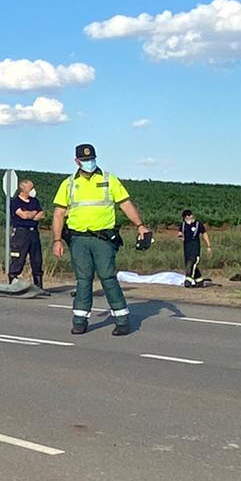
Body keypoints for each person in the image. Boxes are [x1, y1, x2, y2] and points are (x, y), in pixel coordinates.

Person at [51, 143, 148, 336]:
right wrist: (57, 240)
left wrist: (140, 225)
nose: (89, 163)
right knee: (83, 280)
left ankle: (122, 320)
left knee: (108, 277)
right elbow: (58, 214)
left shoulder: (109, 179)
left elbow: (125, 204)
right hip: (78, 239)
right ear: (77, 161)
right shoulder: (69, 184)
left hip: (103, 239)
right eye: (85, 160)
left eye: (91, 159)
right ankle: (80, 321)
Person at [8, 179, 45, 288]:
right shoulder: (15, 202)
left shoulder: (35, 201)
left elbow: (42, 214)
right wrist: (34, 213)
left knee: (37, 259)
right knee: (18, 258)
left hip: (33, 233)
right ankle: (13, 282)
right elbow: (23, 215)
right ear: (23, 189)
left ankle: (38, 286)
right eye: (30, 188)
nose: (33, 190)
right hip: (21, 233)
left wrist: (30, 215)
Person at [179, 208, 212, 285]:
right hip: (186, 248)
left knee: (192, 262)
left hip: (195, 247)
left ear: (191, 216)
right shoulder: (183, 224)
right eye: (185, 218)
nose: (187, 219)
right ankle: (199, 279)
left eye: (188, 217)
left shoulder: (198, 224)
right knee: (188, 263)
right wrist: (180, 235)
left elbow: (204, 234)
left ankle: (188, 279)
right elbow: (180, 232)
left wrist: (208, 246)